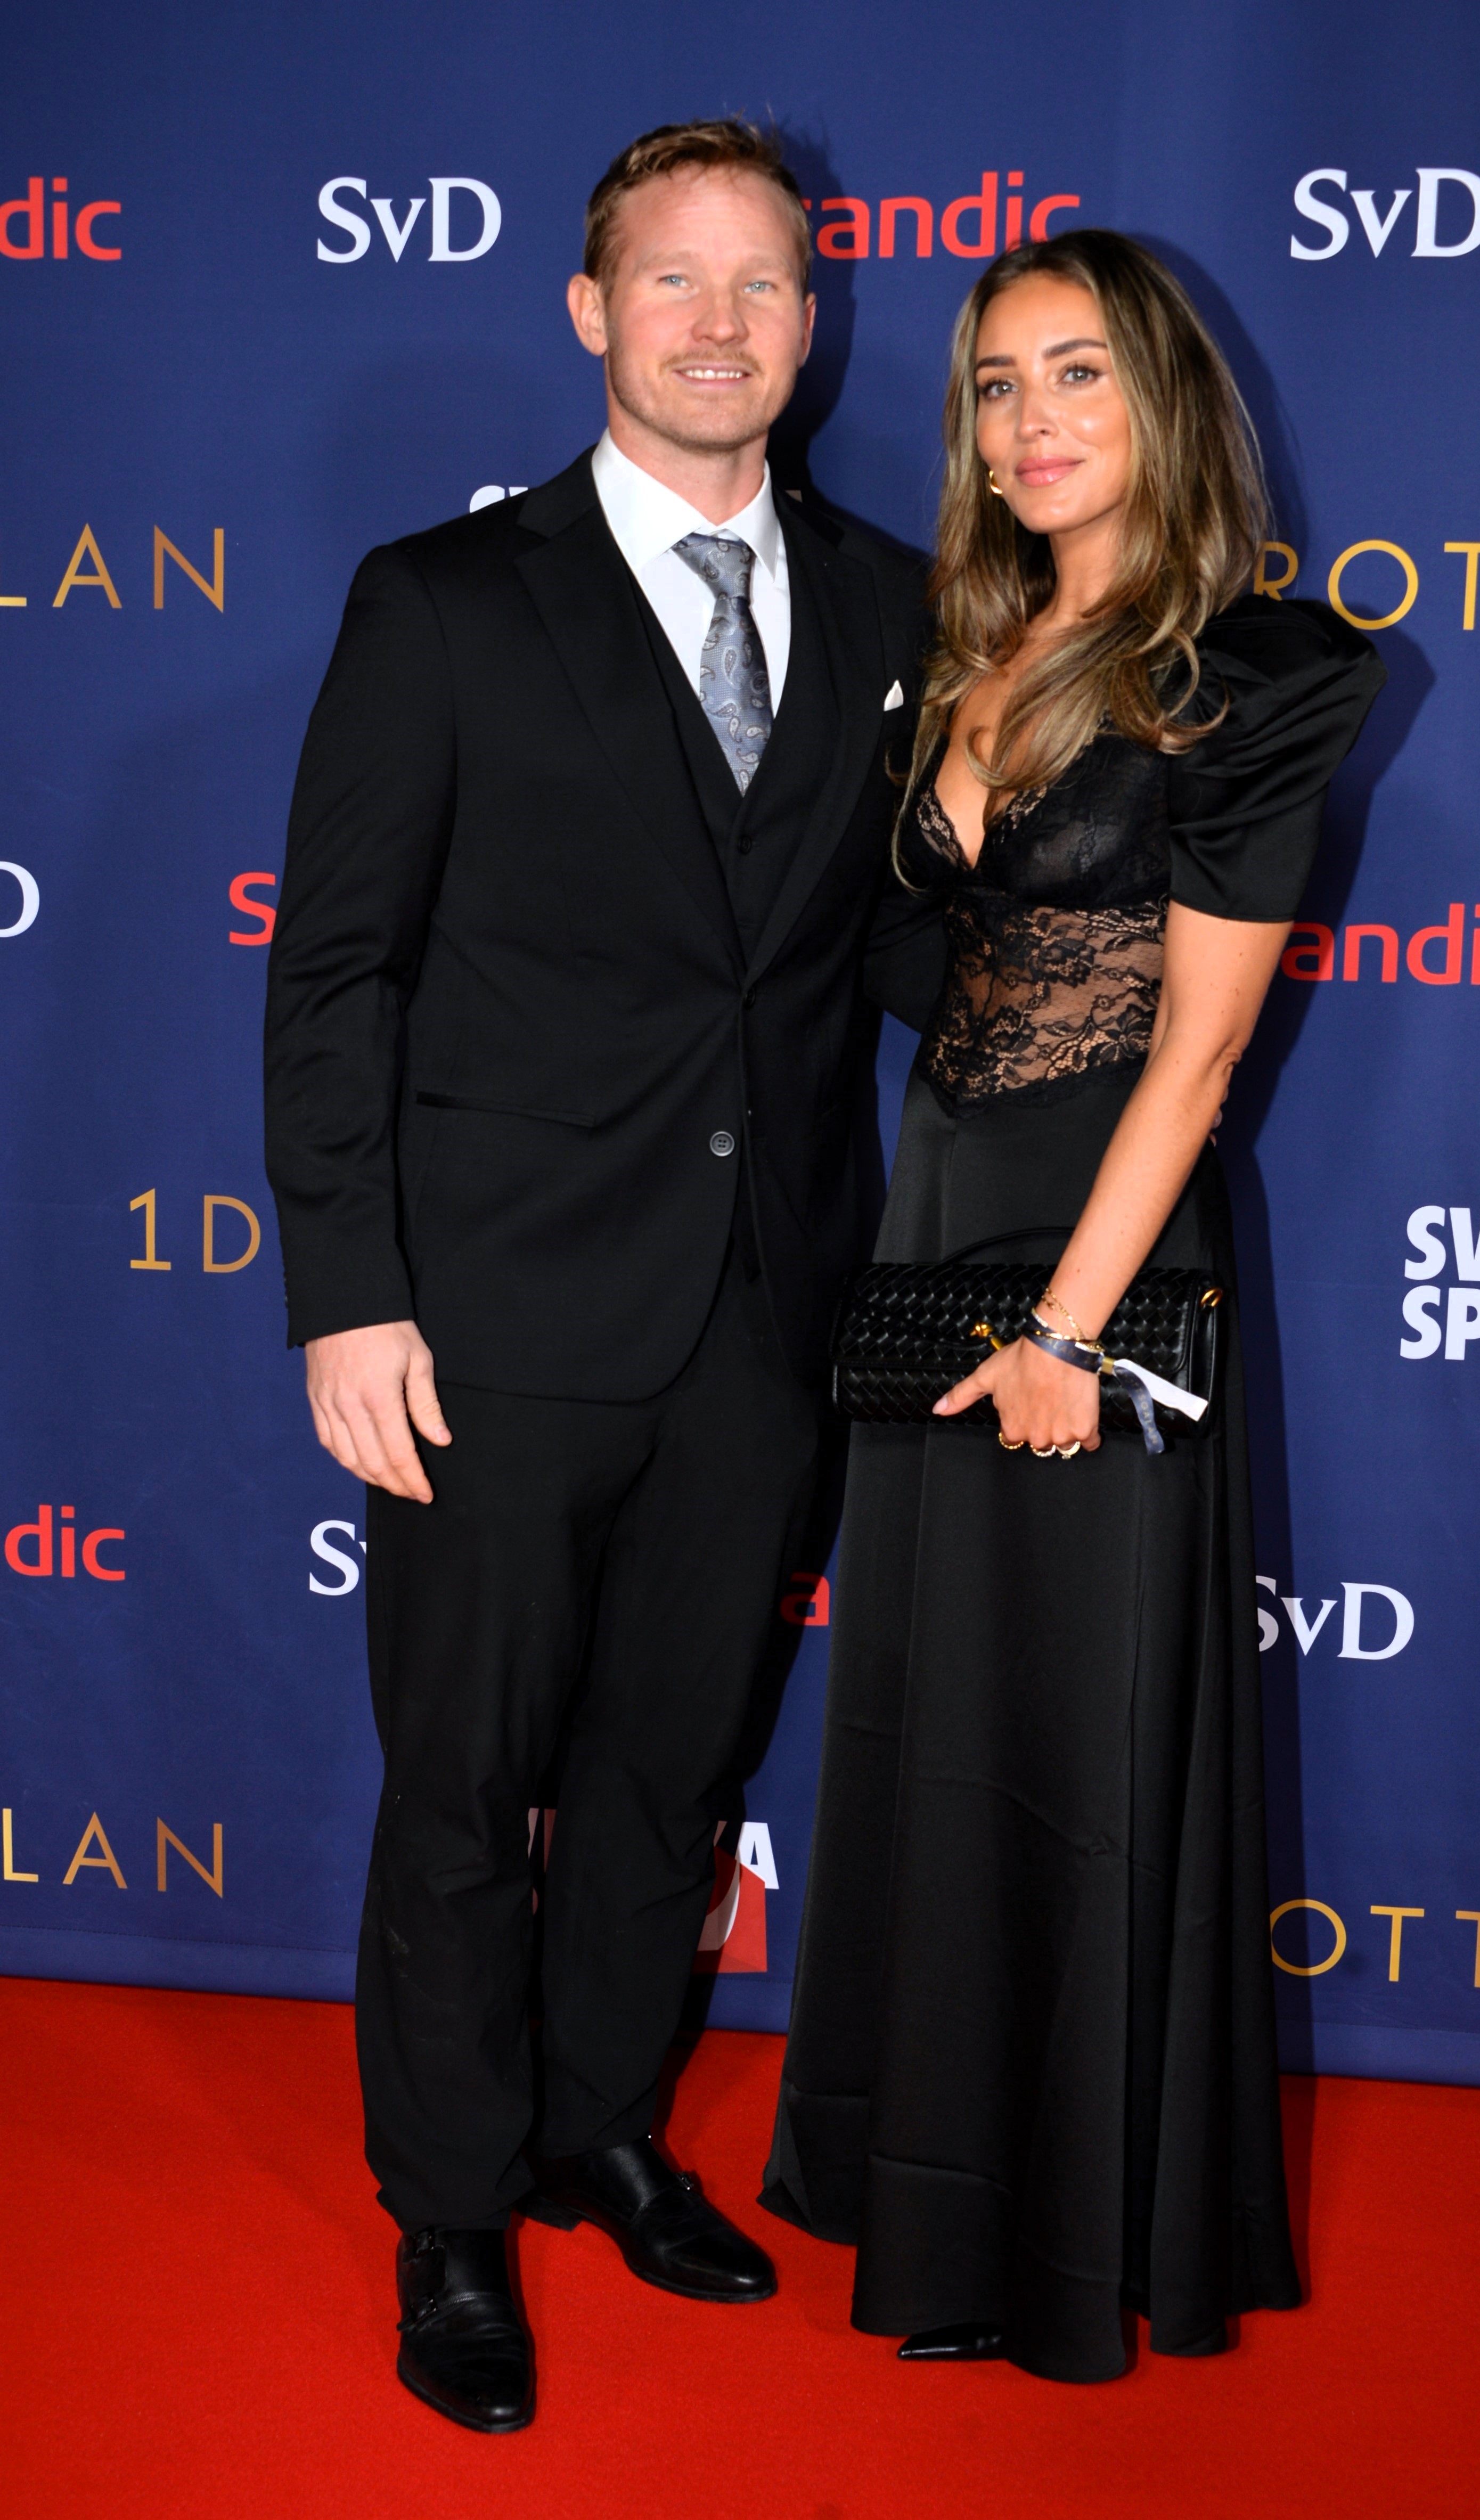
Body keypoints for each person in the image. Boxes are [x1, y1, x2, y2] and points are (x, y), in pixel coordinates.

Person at [263, 119, 941, 2434]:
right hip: (490, 1320)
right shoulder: (444, 601)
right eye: (675, 278)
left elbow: (891, 951)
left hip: (765, 1310)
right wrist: (347, 1292)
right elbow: (335, 972)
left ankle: (600, 2129)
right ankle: (454, 2209)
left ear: (813, 322)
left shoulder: (890, 605)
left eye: (764, 283)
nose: (720, 322)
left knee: (672, 1768)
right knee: (466, 1785)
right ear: (590, 310)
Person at [762, 231, 1384, 2384]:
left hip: (1099, 1260)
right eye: (997, 383)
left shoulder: (1258, 667)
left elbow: (1197, 1054)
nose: (1031, 421)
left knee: (1072, 1733)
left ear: (1167, 400)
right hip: (942, 1215)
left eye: (1080, 374)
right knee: (941, 1720)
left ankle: (1067, 2238)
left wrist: (1070, 1332)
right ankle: (924, 2187)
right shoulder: (965, 642)